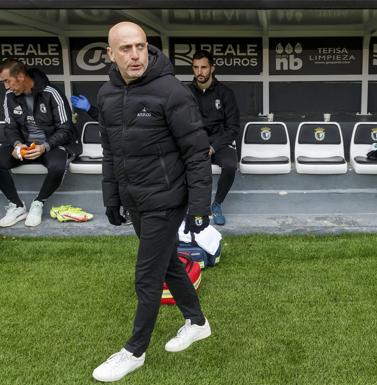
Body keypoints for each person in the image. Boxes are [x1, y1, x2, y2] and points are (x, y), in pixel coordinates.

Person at [92, 22, 214, 383]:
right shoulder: (107, 95)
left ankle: (134, 352)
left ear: (148, 49)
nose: (135, 55)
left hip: (166, 199)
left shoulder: (171, 91)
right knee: (166, 265)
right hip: (135, 199)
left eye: (140, 46)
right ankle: (197, 322)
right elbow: (111, 152)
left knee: (147, 276)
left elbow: (196, 153)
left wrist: (199, 207)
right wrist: (111, 198)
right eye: (126, 48)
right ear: (110, 54)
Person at [0, 59, 78, 227]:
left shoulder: (51, 93)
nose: (6, 87)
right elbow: (10, 127)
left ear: (20, 76)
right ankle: (17, 206)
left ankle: (39, 202)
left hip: (51, 145)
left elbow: (66, 129)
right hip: (25, 146)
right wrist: (16, 144)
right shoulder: (9, 96)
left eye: (7, 81)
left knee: (58, 165)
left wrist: (45, 146)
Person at [188, 50, 240, 226]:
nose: (199, 72)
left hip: (220, 142)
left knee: (230, 165)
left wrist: (214, 147)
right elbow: (182, 123)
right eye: (196, 67)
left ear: (212, 68)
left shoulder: (225, 93)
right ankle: (189, 206)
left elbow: (233, 128)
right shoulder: (186, 93)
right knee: (175, 162)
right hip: (195, 142)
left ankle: (216, 204)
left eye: (203, 67)